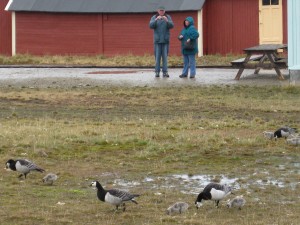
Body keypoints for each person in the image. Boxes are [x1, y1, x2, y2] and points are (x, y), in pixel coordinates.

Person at [149, 6, 174, 78]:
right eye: (160, 10)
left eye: (163, 11)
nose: (161, 12)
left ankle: (165, 72)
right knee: (157, 58)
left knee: (165, 58)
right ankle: (157, 72)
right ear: (158, 11)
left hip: (165, 41)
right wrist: (156, 19)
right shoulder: (154, 17)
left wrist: (167, 21)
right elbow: (150, 26)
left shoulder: (168, 17)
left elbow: (172, 26)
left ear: (164, 11)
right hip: (157, 41)